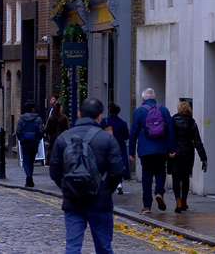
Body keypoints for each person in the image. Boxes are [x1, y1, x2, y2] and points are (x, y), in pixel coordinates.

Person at [48, 98, 125, 254]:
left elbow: (54, 171)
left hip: (73, 201)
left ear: (79, 114)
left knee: (72, 247)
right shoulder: (107, 139)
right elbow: (117, 170)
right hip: (100, 201)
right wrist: (105, 189)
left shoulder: (63, 138)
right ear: (99, 116)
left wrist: (68, 187)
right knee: (104, 247)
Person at [129, 88, 176, 214]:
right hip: (161, 149)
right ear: (154, 98)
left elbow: (133, 133)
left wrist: (131, 152)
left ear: (143, 99)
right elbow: (171, 131)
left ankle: (147, 206)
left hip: (145, 150)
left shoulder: (139, 111)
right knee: (161, 171)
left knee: (147, 176)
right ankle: (159, 192)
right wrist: (172, 148)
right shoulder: (164, 110)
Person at [170, 101, 207, 213]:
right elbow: (197, 141)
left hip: (176, 153)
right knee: (185, 178)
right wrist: (203, 158)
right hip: (188, 152)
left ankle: (178, 201)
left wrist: (170, 151)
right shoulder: (192, 122)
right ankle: (184, 201)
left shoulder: (173, 120)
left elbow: (169, 137)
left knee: (176, 178)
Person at [101, 103, 131, 194]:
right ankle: (119, 183)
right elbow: (126, 136)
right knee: (119, 165)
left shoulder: (105, 122)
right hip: (120, 146)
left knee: (108, 165)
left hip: (108, 146)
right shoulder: (123, 123)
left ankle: (108, 183)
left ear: (109, 111)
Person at [16, 101, 45, 188]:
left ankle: (29, 177)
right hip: (34, 142)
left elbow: (18, 131)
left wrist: (21, 139)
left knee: (26, 160)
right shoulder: (38, 119)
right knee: (31, 160)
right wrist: (38, 140)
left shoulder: (21, 119)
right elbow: (41, 131)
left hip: (25, 142)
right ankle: (30, 177)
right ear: (32, 109)